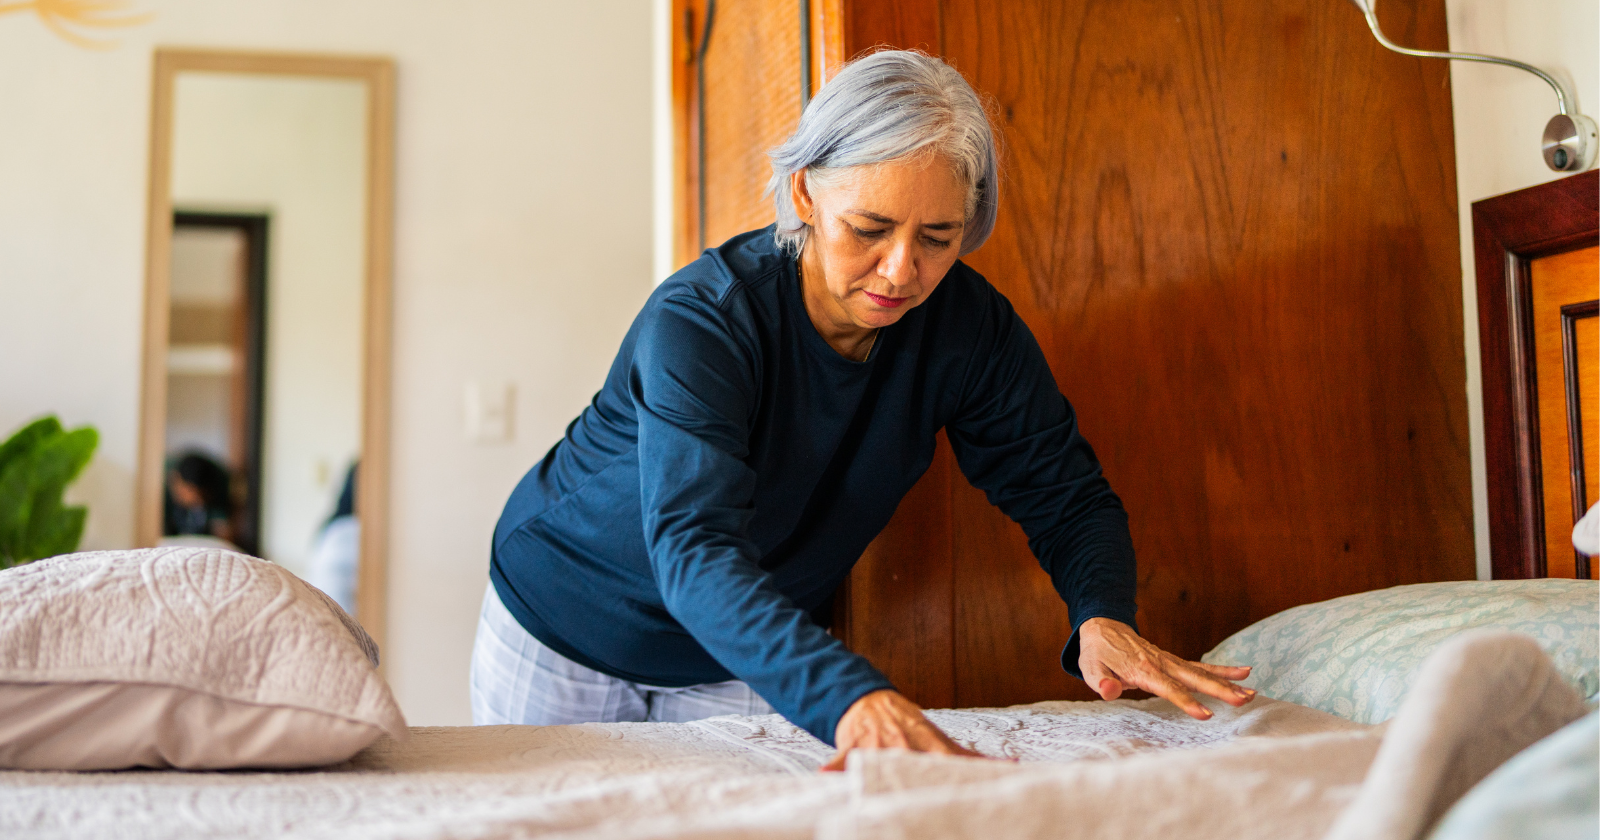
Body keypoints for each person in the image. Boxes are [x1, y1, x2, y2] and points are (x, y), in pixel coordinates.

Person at [474, 49, 1253, 768]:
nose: (901, 270)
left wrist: (1101, 610)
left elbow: (1064, 492)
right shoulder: (706, 319)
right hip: (564, 614)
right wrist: (849, 697)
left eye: (939, 238)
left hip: (737, 645)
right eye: (870, 229)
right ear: (808, 192)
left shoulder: (969, 330)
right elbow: (695, 547)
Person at [162, 451, 235, 544]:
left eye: (200, 497)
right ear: (175, 480)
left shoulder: (220, 482)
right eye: (188, 492)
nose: (197, 502)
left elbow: (222, 527)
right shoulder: (158, 487)